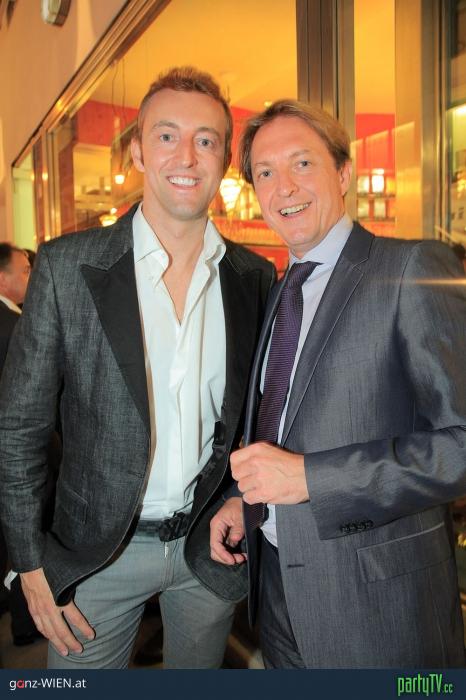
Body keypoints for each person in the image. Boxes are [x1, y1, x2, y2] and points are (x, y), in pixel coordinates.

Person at [0, 66, 275, 669]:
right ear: (138, 152)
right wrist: (28, 562)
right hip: (95, 557)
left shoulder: (254, 277)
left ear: (225, 161)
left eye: (206, 140)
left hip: (208, 550)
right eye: (167, 135)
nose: (186, 155)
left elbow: (256, 417)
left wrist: (237, 498)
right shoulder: (67, 268)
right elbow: (18, 428)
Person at [210, 100, 466, 668]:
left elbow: (461, 445)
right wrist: (242, 499)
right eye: (265, 173)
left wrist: (311, 478)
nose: (283, 187)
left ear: (344, 174)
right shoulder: (280, 287)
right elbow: (283, 422)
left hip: (379, 608)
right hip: (277, 592)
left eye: (302, 163)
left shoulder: (412, 268)